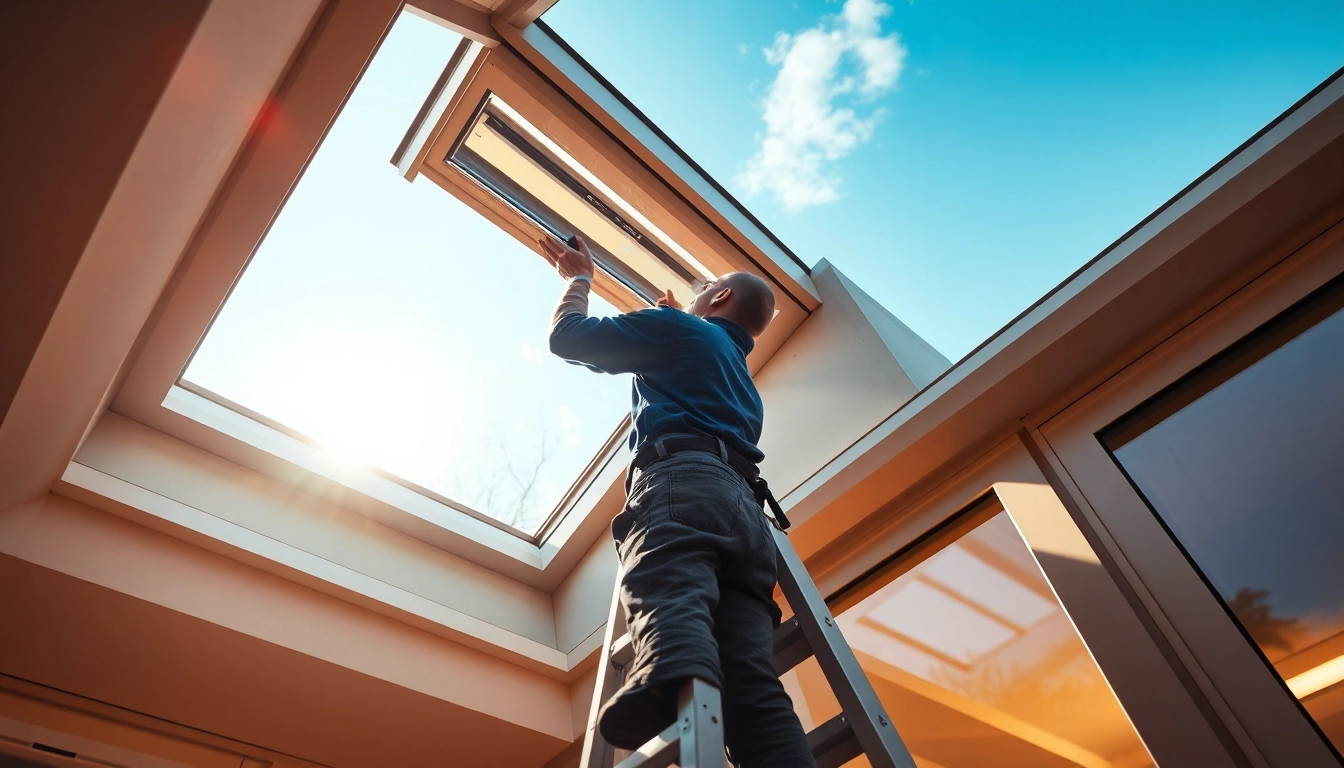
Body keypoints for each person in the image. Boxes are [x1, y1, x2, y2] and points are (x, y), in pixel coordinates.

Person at [539, 234, 815, 768]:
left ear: (716, 301)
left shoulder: (681, 330)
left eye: (705, 287)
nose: (697, 294)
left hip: (683, 485)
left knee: (668, 582)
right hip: (747, 517)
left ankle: (666, 671)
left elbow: (568, 339)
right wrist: (672, 319)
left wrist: (577, 279)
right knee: (752, 685)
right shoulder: (739, 376)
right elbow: (688, 356)